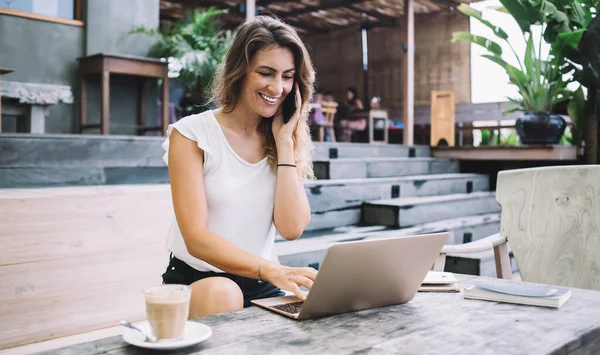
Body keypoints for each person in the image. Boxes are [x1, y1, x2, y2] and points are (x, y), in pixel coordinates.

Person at [160, 15, 318, 319]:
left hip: (262, 283)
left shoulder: (281, 139)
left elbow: (292, 227)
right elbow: (196, 238)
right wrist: (271, 269)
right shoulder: (192, 134)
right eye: (266, 73)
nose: (278, 87)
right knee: (224, 291)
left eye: (288, 76)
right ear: (240, 72)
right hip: (200, 281)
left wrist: (285, 143)